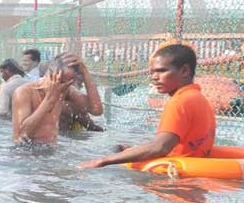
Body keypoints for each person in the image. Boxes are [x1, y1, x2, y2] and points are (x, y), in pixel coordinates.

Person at [80, 43, 216, 168]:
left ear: (185, 71)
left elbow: (161, 147)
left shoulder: (179, 102)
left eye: (162, 71)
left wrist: (104, 161)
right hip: (193, 172)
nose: (154, 77)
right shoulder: (198, 98)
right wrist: (132, 150)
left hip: (175, 180)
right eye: (152, 72)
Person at [11, 60, 73, 144]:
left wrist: (84, 71)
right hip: (25, 151)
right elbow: (23, 134)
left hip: (51, 149)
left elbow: (95, 110)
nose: (65, 87)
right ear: (50, 77)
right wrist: (49, 100)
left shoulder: (65, 90)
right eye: (62, 82)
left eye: (69, 83)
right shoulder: (23, 92)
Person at [56, 52, 105, 131]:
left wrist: (85, 71)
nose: (65, 85)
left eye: (70, 81)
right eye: (62, 81)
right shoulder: (34, 91)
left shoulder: (70, 92)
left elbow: (97, 110)